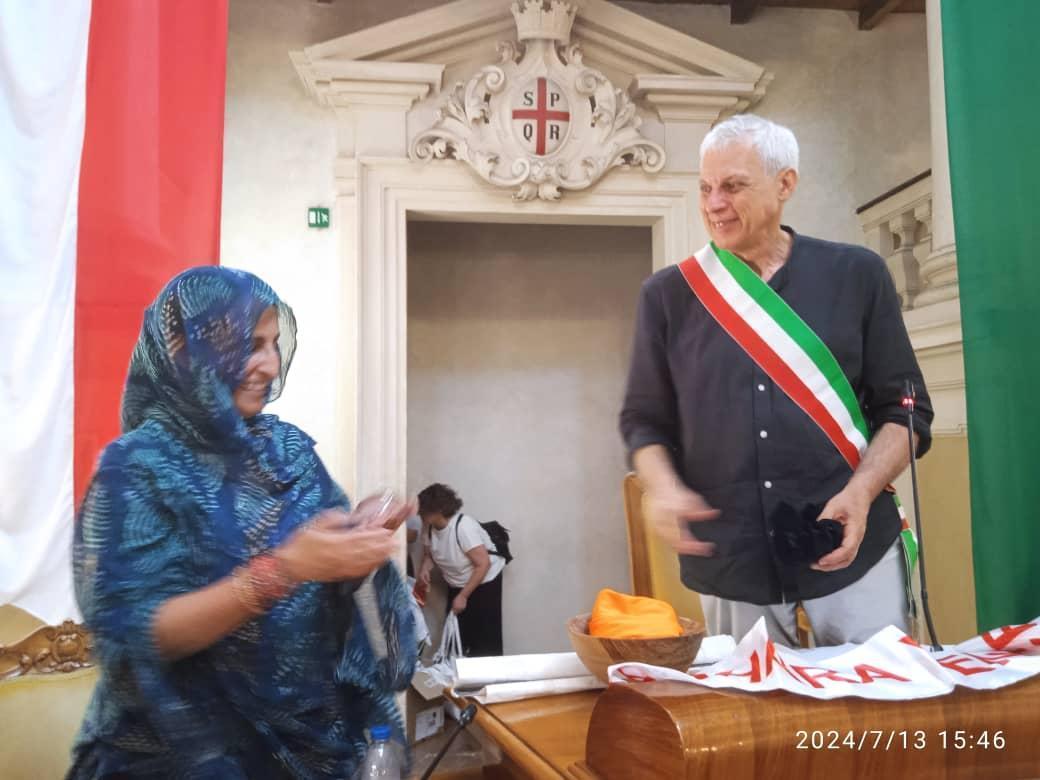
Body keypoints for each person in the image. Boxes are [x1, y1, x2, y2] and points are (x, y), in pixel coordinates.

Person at [70, 267, 417, 778]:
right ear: (186, 350)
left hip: (311, 748)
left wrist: (353, 538)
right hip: (178, 756)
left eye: (275, 344)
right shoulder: (136, 468)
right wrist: (284, 569)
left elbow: (321, 556)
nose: (270, 364)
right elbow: (141, 631)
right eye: (251, 345)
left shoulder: (287, 451)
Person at [619, 114, 933, 647]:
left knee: (877, 695)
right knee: (748, 703)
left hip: (852, 538)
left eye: (733, 186)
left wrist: (861, 493)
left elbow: (907, 413)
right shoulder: (667, 296)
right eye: (705, 188)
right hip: (731, 557)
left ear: (785, 184)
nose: (714, 204)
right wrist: (664, 487)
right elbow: (643, 421)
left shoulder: (857, 275)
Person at [416, 483, 505, 656]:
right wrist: (424, 568)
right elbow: (429, 554)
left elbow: (483, 564)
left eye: (423, 511)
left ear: (438, 511)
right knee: (458, 632)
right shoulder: (428, 527)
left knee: (485, 637)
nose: (419, 514)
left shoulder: (463, 527)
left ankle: (483, 671)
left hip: (485, 580)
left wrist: (463, 596)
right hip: (456, 582)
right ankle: (459, 669)